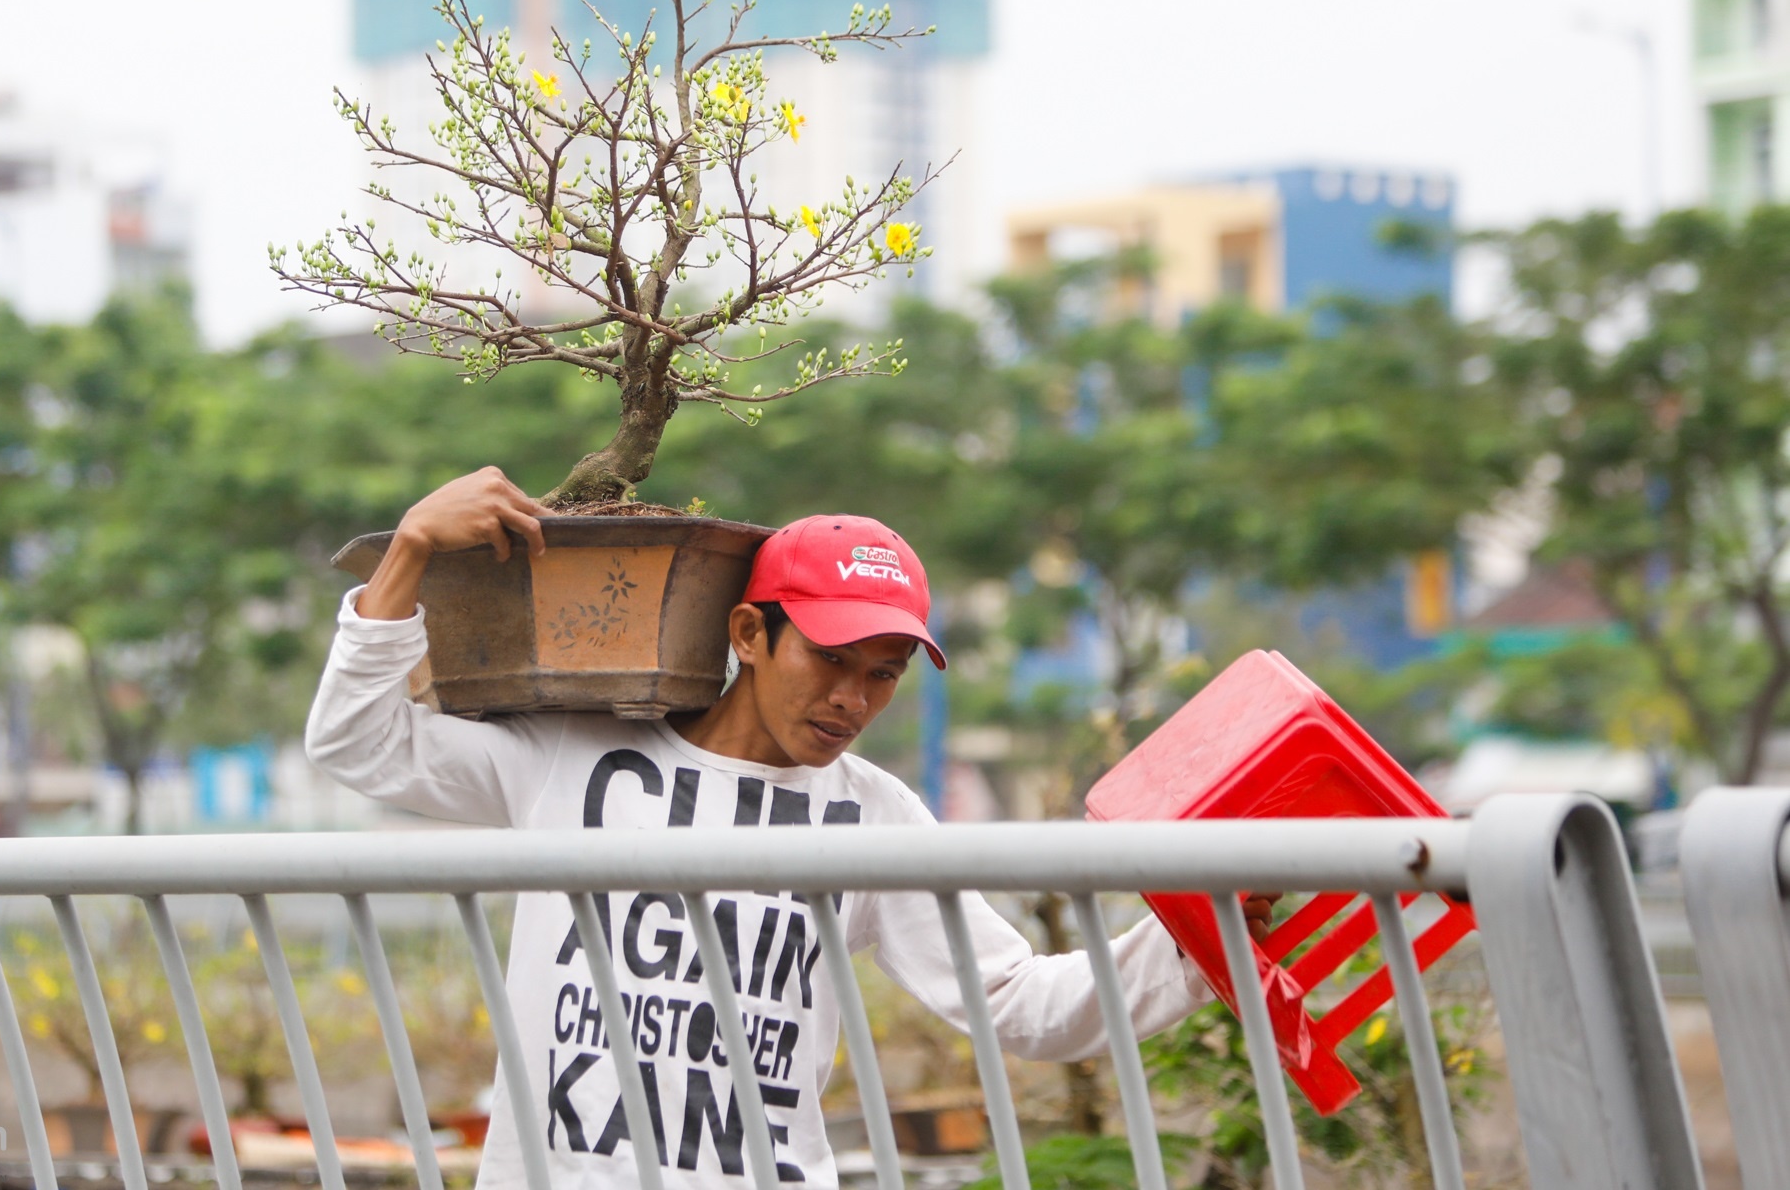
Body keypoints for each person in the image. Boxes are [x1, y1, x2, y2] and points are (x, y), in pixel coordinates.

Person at [305, 467, 1274, 1188]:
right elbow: (358, 743)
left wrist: (1206, 928)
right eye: (834, 658)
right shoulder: (580, 755)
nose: (854, 698)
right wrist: (413, 552)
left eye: (885, 672)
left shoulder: (873, 815)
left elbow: (1024, 1005)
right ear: (748, 636)